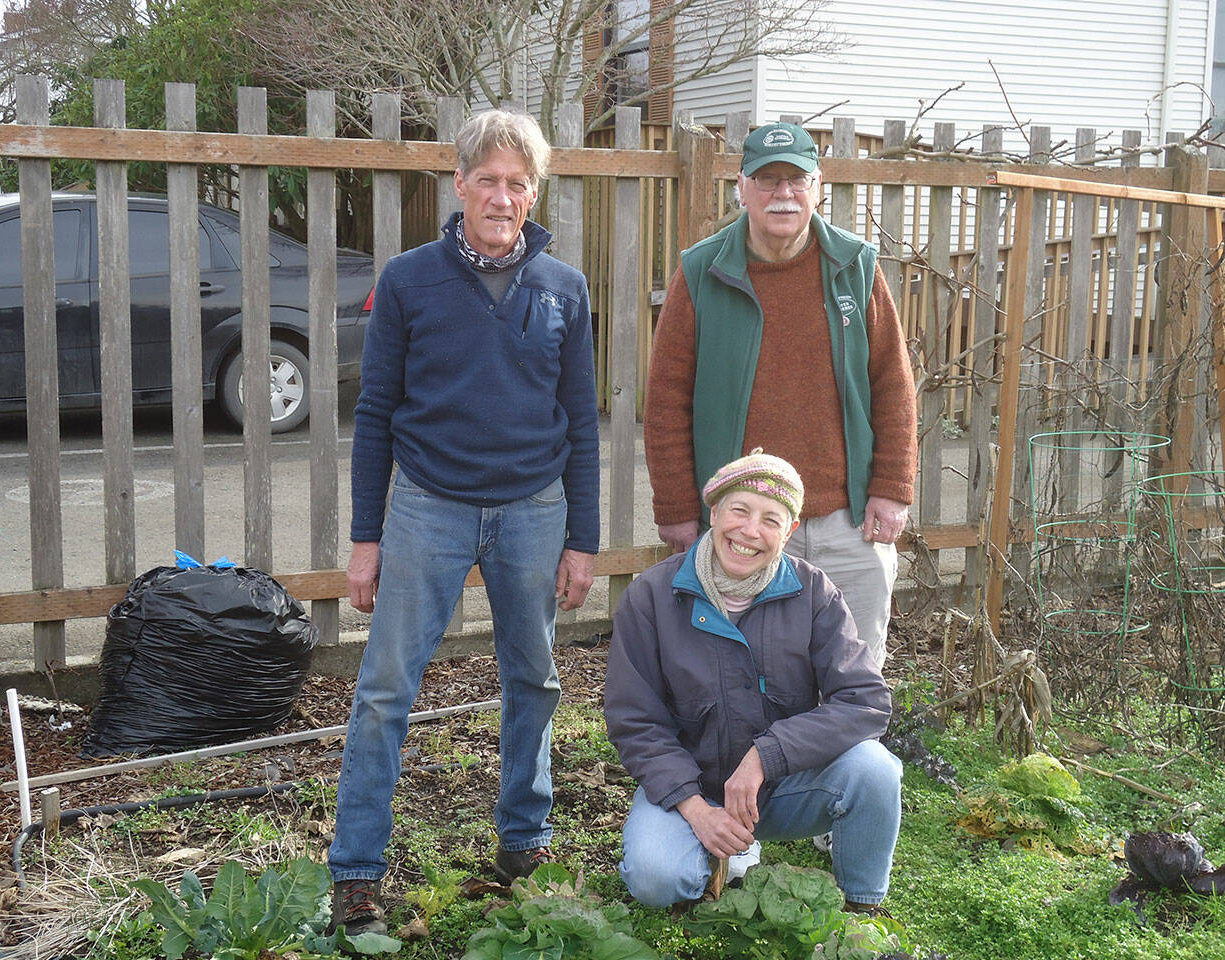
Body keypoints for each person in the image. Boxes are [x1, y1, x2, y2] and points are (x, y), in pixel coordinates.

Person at [328, 109, 600, 936]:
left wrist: (582, 538)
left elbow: (580, 420)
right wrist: (366, 537)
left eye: (519, 182)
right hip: (429, 506)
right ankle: (357, 870)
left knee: (535, 681)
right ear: (459, 185)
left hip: (533, 510)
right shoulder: (411, 279)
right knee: (384, 691)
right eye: (488, 179)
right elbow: (375, 413)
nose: (503, 196)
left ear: (534, 192)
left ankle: (524, 839)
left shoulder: (565, 287)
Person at [643, 120, 917, 668]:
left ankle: (851, 757)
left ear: (818, 188)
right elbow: (667, 399)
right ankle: (752, 760)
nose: (783, 194)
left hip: (849, 521)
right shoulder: (702, 272)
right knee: (746, 673)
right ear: (740, 189)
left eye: (797, 180)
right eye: (767, 181)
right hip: (747, 525)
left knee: (855, 672)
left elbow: (893, 383)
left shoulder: (854, 267)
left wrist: (891, 487)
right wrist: (676, 505)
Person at [604, 451, 901, 911]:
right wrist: (696, 809)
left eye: (770, 519)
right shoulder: (651, 596)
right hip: (692, 788)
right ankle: (704, 865)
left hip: (783, 787)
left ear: (790, 532)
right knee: (656, 879)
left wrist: (768, 755)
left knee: (875, 770)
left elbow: (865, 700)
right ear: (714, 511)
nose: (749, 531)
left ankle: (862, 905)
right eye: (739, 510)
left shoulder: (813, 592)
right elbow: (635, 722)